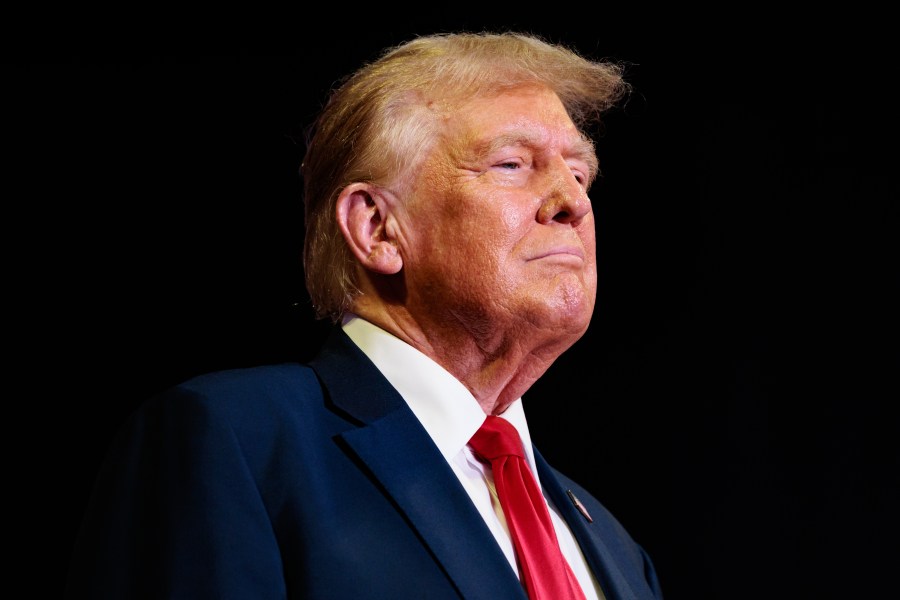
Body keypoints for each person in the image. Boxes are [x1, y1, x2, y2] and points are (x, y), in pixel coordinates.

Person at [65, 31, 664, 600]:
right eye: (510, 164)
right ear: (378, 228)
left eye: (580, 173)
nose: (573, 202)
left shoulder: (612, 544)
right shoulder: (234, 445)